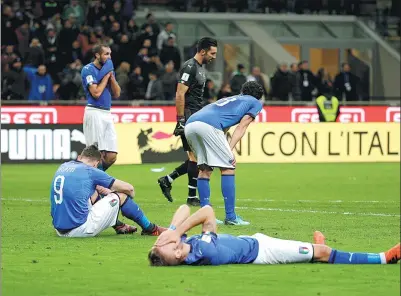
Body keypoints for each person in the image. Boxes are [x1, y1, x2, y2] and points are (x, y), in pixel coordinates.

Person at [148, 205, 401, 266]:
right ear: (178, 253)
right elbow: (207, 211)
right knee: (323, 254)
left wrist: (170, 231)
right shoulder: (206, 251)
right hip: (264, 253)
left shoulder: (186, 247)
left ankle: (312, 248)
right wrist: (177, 232)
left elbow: (183, 207)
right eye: (171, 248)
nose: (174, 244)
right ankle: (383, 257)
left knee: (313, 249)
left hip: (254, 239)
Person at [183, 81, 264, 225]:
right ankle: (231, 217)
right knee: (228, 167)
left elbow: (223, 125)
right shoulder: (255, 103)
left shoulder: (229, 99)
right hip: (208, 126)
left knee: (205, 169)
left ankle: (204, 215)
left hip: (191, 124)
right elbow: (241, 128)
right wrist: (229, 151)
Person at [50, 145, 166, 238]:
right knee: (121, 196)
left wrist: (103, 190)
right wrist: (125, 197)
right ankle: (151, 229)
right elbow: (129, 189)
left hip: (59, 229)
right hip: (78, 230)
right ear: (96, 163)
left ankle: (119, 226)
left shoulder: (64, 166)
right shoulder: (91, 170)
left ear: (80, 157)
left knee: (95, 191)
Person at [157, 37, 218, 206]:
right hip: (189, 115)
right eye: (212, 53)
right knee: (194, 156)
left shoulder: (200, 68)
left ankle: (168, 179)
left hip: (196, 114)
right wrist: (181, 119)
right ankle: (191, 197)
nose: (214, 57)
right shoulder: (189, 67)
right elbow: (179, 94)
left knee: (196, 157)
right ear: (203, 51)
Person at [80, 44, 133, 235]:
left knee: (111, 155)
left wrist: (111, 76)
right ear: (97, 55)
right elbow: (95, 93)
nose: (109, 57)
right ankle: (95, 187)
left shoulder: (107, 70)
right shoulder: (88, 69)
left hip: (107, 114)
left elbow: (117, 93)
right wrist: (105, 75)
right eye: (106, 54)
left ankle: (95, 184)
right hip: (93, 112)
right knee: (94, 155)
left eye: (111, 53)